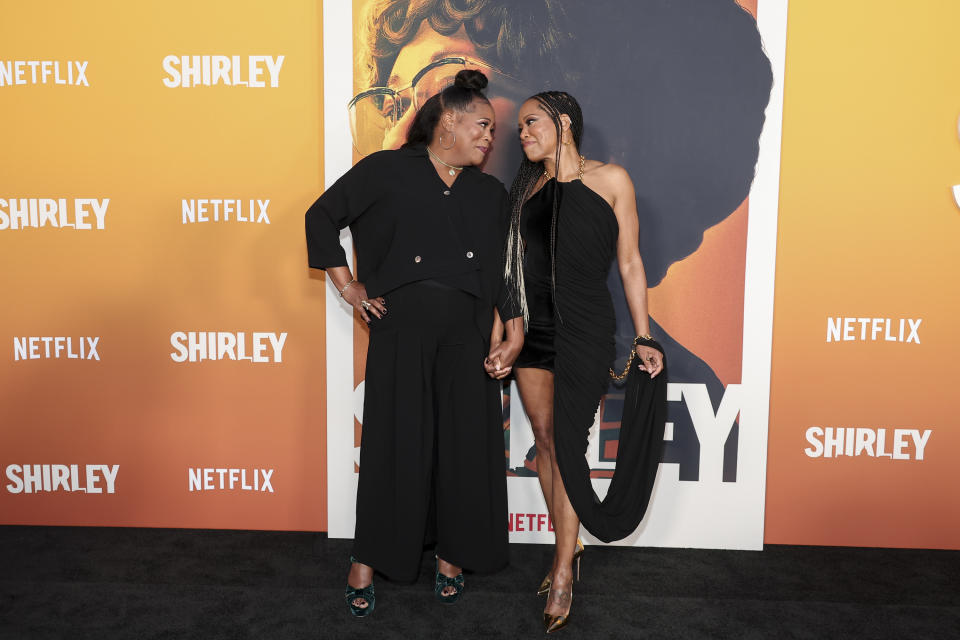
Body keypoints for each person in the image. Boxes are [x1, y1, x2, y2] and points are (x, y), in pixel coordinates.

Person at [306, 70, 523, 617]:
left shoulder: (489, 193)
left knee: (463, 449)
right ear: (448, 120)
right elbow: (321, 217)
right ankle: (367, 559)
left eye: (492, 130)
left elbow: (505, 271)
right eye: (482, 125)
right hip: (401, 332)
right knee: (394, 445)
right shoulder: (386, 170)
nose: (488, 138)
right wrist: (348, 286)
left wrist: (511, 330)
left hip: (469, 337)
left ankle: (453, 555)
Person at [507, 91, 668, 633]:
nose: (522, 133)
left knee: (569, 443)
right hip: (533, 330)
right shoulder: (527, 190)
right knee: (546, 438)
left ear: (564, 123)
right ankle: (568, 550)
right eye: (520, 127)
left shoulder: (612, 180)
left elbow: (630, 263)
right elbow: (510, 269)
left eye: (531, 123)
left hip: (586, 330)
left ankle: (560, 569)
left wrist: (644, 336)